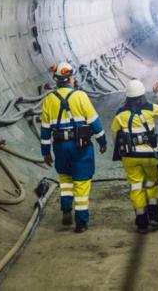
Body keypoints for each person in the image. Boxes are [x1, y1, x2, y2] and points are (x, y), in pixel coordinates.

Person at [40, 62, 107, 232]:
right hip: (80, 146)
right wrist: (102, 141)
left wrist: (46, 153)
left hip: (60, 148)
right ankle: (81, 222)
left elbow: (45, 131)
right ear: (70, 79)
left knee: (65, 179)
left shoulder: (48, 100)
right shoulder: (80, 96)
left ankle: (66, 210)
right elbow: (94, 122)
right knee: (82, 183)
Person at [111, 79, 158, 233]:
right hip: (150, 156)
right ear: (142, 94)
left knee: (136, 187)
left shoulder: (120, 113)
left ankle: (142, 223)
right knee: (151, 185)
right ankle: (155, 219)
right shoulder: (150, 109)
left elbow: (115, 135)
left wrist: (121, 152)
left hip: (130, 157)